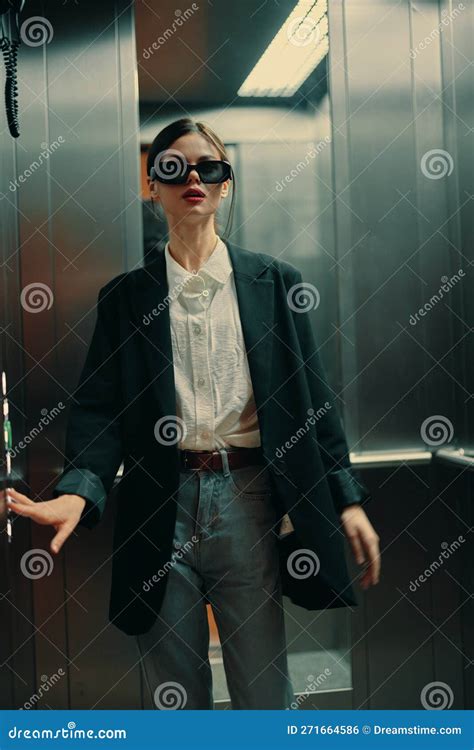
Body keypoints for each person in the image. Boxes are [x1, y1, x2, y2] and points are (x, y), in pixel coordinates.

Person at [4, 118, 380, 710]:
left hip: (249, 499)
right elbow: (100, 409)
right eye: (174, 168)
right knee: (174, 698)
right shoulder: (127, 298)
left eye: (209, 167)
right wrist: (78, 491)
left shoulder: (273, 283)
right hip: (160, 503)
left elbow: (313, 400)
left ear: (226, 183)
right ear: (152, 185)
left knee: (262, 689)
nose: (194, 180)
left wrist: (347, 498)